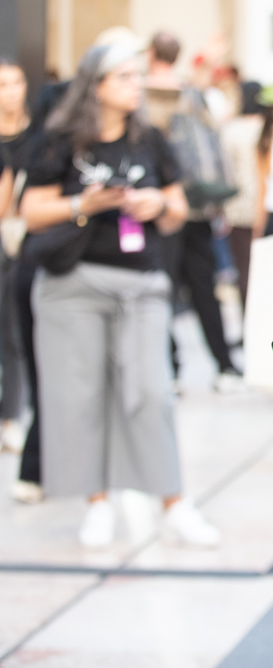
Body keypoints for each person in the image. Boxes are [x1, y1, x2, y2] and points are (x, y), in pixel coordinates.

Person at [20, 42, 220, 548]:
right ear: (97, 84)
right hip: (74, 283)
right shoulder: (61, 141)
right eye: (124, 76)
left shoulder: (149, 138)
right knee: (82, 397)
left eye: (137, 75)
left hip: (142, 283)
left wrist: (157, 204)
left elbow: (178, 208)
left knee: (151, 393)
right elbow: (31, 211)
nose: (136, 85)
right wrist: (81, 205)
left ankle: (172, 501)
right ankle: (97, 503)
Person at [142, 31, 243, 392]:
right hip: (198, 204)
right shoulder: (189, 91)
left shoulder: (140, 93)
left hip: (162, 206)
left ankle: (170, 370)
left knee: (162, 289)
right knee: (205, 289)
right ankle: (225, 367)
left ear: (150, 53)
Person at [0, 58, 32, 454]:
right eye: (2, 84)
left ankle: (12, 416)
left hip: (21, 242)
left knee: (14, 331)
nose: (10, 91)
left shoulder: (37, 138)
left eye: (15, 82)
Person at [220, 80, 271, 311]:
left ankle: (248, 318)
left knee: (243, 267)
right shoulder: (268, 127)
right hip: (268, 205)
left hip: (238, 207)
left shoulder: (232, 130)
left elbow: (225, 172)